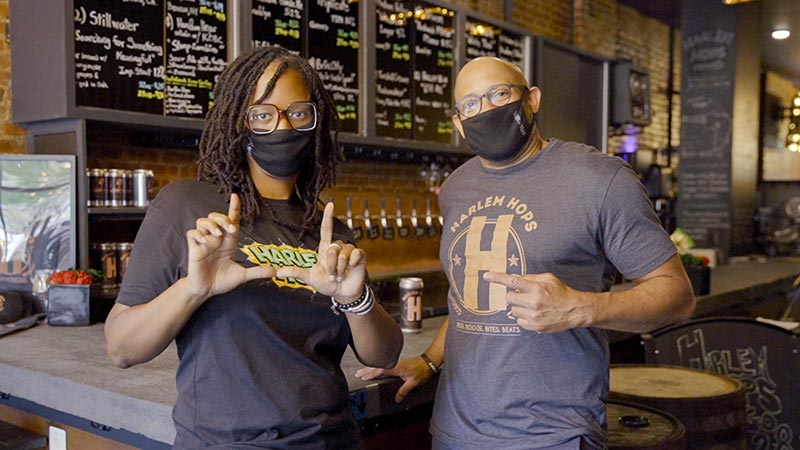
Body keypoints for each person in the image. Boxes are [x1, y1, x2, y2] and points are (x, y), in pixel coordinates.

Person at [356, 56, 696, 449]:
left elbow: (678, 296)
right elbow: (469, 295)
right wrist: (431, 359)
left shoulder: (599, 180)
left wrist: (581, 307)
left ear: (532, 99)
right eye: (470, 104)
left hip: (553, 435)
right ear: (458, 123)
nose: (485, 110)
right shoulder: (455, 188)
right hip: (456, 431)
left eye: (498, 94)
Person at [104, 46, 403, 450]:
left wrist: (356, 299)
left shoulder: (328, 231)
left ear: (316, 120)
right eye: (262, 114)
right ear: (238, 123)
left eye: (297, 112)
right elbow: (121, 349)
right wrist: (195, 288)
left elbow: (383, 353)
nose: (282, 125)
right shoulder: (186, 206)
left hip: (331, 441)